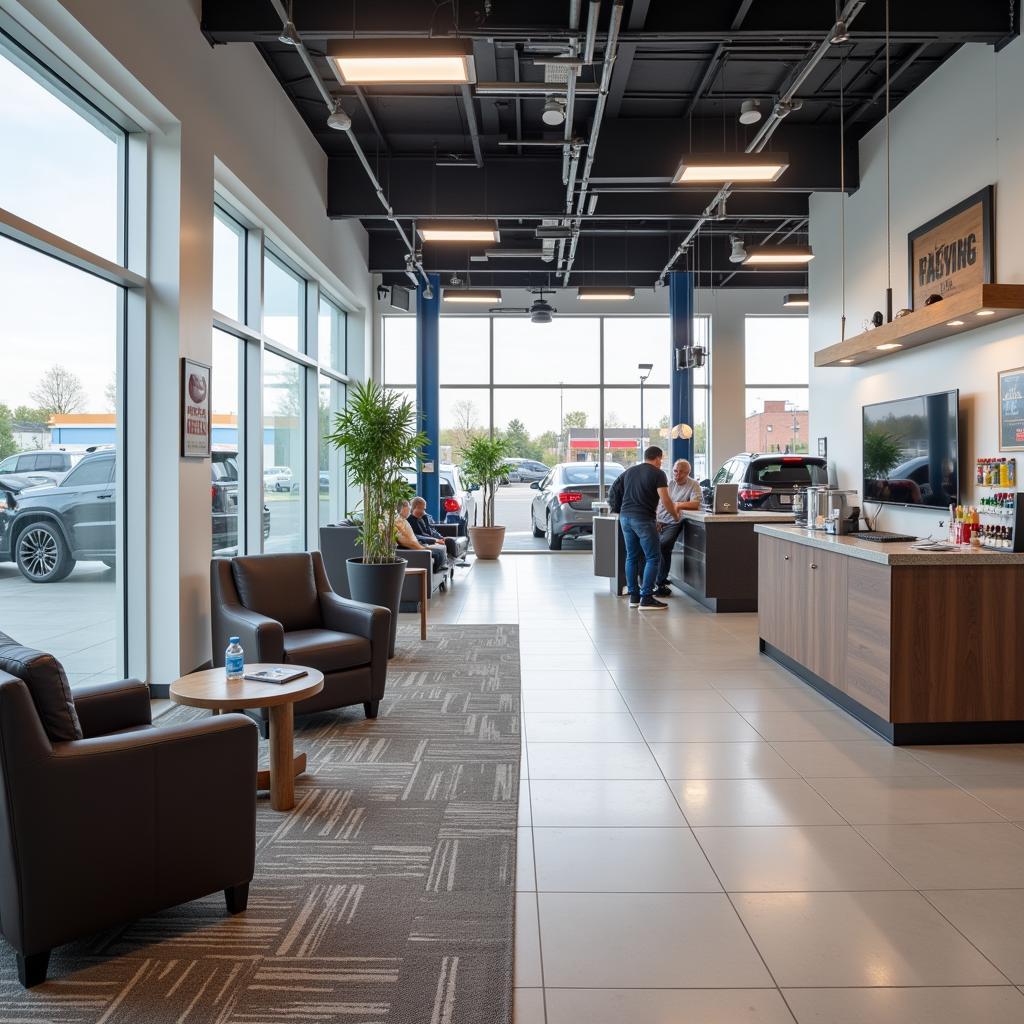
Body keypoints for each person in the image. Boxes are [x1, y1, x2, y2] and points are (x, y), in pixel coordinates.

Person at [607, 446, 679, 610]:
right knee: (653, 557)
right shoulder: (658, 473)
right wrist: (674, 516)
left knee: (631, 557)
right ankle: (646, 597)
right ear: (658, 458)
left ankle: (634, 597)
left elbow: (615, 489)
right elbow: (666, 500)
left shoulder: (630, 471)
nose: (661, 463)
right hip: (643, 519)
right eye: (661, 459)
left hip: (625, 518)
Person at [653, 459, 703, 597]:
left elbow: (696, 503)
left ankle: (660, 581)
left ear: (688, 473)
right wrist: (655, 518)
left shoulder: (693, 485)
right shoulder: (668, 483)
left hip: (674, 521)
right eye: (675, 471)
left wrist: (678, 505)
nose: (677, 474)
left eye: (681, 472)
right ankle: (656, 580)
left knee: (664, 546)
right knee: (655, 549)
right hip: (659, 520)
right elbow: (658, 502)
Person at [409, 496, 467, 565]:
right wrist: (435, 540)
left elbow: (430, 530)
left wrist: (440, 537)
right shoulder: (410, 520)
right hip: (425, 541)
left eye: (424, 509)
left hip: (431, 539)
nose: (424, 512)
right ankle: (449, 560)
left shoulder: (421, 518)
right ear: (416, 507)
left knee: (448, 540)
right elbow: (421, 535)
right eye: (422, 509)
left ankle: (451, 560)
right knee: (448, 542)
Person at [395, 499, 449, 573]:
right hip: (412, 548)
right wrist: (425, 546)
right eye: (408, 507)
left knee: (440, 552)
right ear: (403, 509)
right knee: (438, 553)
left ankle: (439, 576)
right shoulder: (401, 522)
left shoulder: (405, 521)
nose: (410, 509)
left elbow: (427, 531)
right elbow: (410, 540)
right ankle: (436, 575)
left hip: (418, 544)